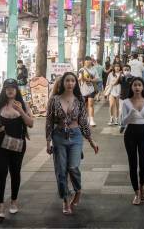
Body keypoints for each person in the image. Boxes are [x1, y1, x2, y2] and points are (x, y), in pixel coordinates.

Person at [46, 72, 99, 215]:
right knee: (61, 170)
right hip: (59, 137)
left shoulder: (80, 99)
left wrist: (91, 140)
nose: (70, 83)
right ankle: (65, 200)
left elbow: (83, 122)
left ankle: (78, 190)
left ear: (76, 83)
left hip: (75, 137)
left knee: (73, 166)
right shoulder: (54, 100)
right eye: (67, 81)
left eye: (72, 81)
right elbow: (49, 121)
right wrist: (48, 141)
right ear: (63, 83)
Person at [0, 79, 34, 221]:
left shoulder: (23, 104)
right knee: (1, 173)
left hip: (17, 145)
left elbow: (30, 123)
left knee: (15, 172)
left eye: (13, 87)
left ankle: (14, 201)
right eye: (7, 87)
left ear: (16, 90)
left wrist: (20, 110)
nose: (10, 90)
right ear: (4, 90)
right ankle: (0, 207)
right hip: (0, 146)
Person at [120, 77, 144, 205]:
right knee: (133, 164)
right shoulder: (126, 102)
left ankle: (142, 186)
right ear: (131, 87)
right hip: (130, 133)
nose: (137, 87)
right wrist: (130, 115)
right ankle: (136, 192)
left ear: (143, 87)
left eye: (139, 85)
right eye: (135, 85)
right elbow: (122, 122)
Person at [78, 56, 98, 126]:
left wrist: (90, 80)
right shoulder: (81, 69)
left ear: (91, 62)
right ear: (84, 62)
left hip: (91, 90)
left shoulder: (94, 70)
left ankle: (91, 120)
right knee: (84, 106)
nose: (87, 63)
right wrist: (81, 76)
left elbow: (97, 79)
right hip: (83, 91)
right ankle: (85, 119)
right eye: (86, 61)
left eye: (89, 61)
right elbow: (81, 78)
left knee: (91, 104)